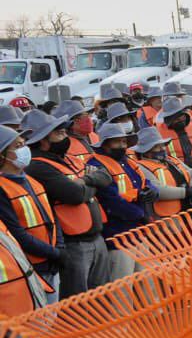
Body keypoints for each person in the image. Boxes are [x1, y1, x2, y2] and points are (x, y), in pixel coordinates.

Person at [23, 110, 111, 298]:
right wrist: (91, 184)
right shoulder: (37, 166)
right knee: (78, 302)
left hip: (95, 238)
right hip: (74, 245)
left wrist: (85, 181)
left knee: (101, 299)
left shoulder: (66, 158)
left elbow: (105, 176)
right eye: (59, 133)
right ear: (43, 140)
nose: (65, 136)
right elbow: (75, 195)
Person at [0, 122, 64, 304]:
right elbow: (16, 233)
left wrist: (60, 247)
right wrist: (55, 253)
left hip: (50, 262)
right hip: (32, 266)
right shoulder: (2, 189)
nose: (24, 149)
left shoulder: (30, 180)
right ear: (2, 155)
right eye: (17, 146)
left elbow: (52, 217)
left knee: (52, 314)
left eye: (24, 144)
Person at [88, 123, 156, 279]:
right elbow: (111, 201)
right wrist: (141, 213)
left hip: (139, 233)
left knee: (147, 283)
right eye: (117, 141)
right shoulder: (97, 166)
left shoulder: (127, 161)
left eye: (124, 142)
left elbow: (145, 181)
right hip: (118, 237)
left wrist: (153, 191)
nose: (122, 145)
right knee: (124, 287)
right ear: (105, 144)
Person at [133, 127, 192, 218]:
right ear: (145, 151)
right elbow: (157, 189)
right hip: (169, 218)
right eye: (156, 147)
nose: (162, 149)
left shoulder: (172, 159)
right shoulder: (141, 167)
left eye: (163, 145)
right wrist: (187, 192)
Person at [156, 97, 192, 169]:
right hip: (177, 171)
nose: (181, 120)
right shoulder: (158, 134)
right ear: (168, 119)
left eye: (182, 116)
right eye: (177, 118)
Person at [55, 100, 96, 169]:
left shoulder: (94, 136)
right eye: (83, 116)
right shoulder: (63, 144)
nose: (88, 119)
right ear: (70, 123)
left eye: (87, 114)